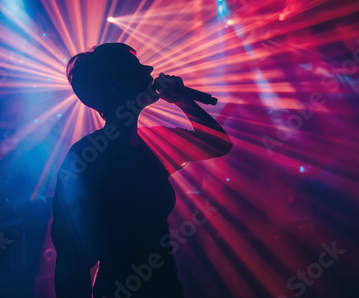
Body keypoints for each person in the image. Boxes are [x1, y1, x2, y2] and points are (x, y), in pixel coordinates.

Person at [51, 43, 232, 298]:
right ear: (113, 85)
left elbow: (217, 143)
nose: (149, 68)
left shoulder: (151, 144)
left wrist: (182, 99)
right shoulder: (85, 158)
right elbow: (71, 261)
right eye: (135, 67)